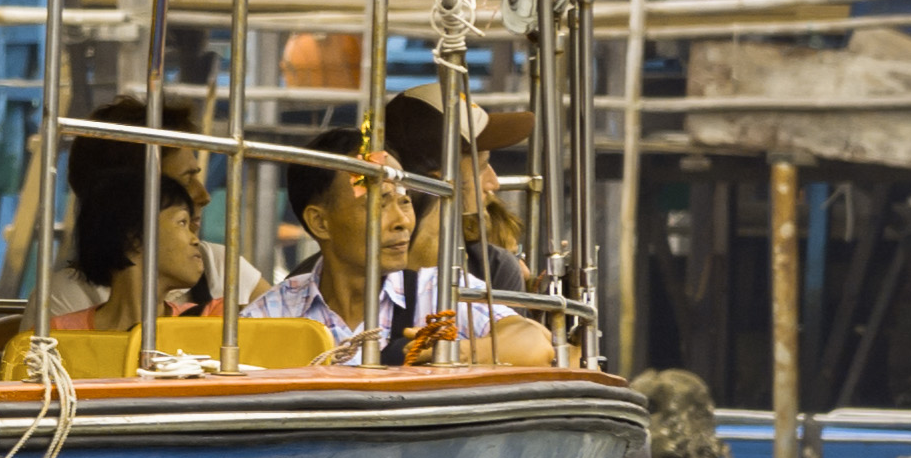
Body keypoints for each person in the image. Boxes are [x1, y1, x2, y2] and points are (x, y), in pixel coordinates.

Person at [378, 92, 570, 368]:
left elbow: (523, 350)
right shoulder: (347, 271)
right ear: (441, 182)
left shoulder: (492, 266)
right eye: (481, 167)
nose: (494, 182)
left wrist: (455, 351)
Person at [242, 116, 429, 363]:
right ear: (320, 223)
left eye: (405, 201)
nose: (402, 221)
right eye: (379, 204)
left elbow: (499, 331)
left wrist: (458, 351)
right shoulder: (273, 316)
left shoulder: (437, 296)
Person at [37, 122, 218, 336]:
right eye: (182, 222)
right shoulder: (55, 337)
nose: (194, 239)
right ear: (133, 236)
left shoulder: (215, 321)